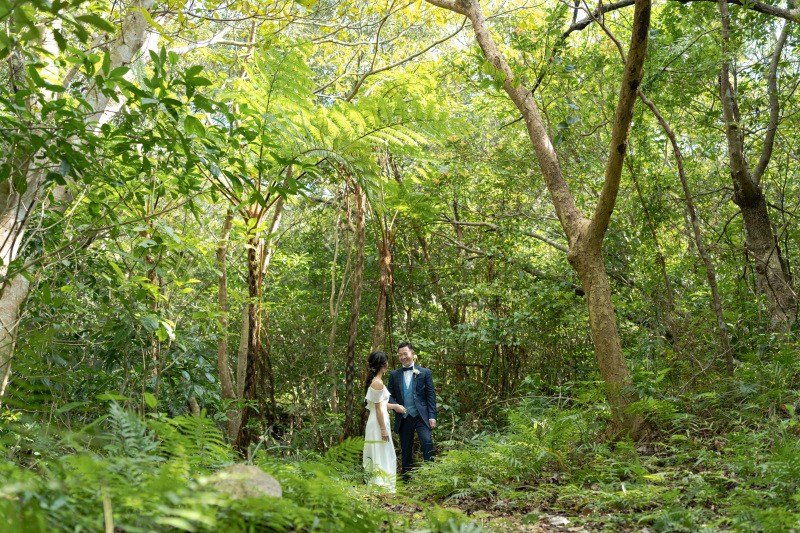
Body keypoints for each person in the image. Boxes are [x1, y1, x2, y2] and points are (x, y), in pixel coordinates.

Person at [387, 342, 437, 481]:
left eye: (405, 354)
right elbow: (389, 395)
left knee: (427, 442)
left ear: (412, 354)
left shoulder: (425, 372)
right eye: (400, 355)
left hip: (422, 416)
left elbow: (430, 395)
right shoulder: (394, 374)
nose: (403, 357)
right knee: (406, 447)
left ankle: (431, 475)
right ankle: (407, 478)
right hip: (404, 416)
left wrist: (432, 416)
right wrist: (396, 405)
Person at [362, 350, 402, 492]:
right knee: (381, 451)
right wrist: (383, 429)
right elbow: (378, 409)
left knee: (383, 450)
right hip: (378, 423)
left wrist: (395, 406)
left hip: (378, 420)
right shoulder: (377, 383)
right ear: (383, 365)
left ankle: (382, 484)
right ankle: (381, 485)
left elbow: (381, 405)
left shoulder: (377, 381)